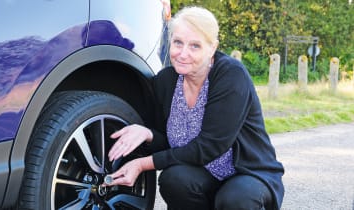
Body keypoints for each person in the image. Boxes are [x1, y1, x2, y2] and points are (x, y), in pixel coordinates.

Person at [104, 6, 284, 210]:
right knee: (174, 178)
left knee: (234, 199)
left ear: (212, 47)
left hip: (246, 174)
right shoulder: (165, 82)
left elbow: (210, 146)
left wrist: (142, 164)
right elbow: (171, 145)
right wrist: (148, 134)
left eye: (195, 46)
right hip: (203, 174)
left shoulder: (231, 76)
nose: (183, 53)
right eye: (178, 42)